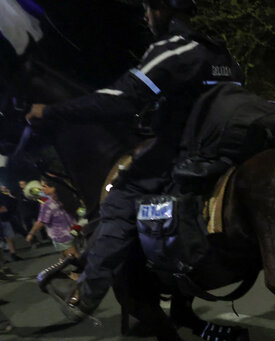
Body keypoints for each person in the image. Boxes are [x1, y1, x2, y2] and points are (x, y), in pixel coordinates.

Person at [24, 0, 243, 324]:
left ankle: (85, 295)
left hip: (185, 150)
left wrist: (52, 112)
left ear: (162, 11)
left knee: (119, 199)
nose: (145, 15)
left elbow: (122, 99)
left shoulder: (171, 49)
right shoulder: (220, 52)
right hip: (231, 147)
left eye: (148, 8)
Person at [26, 177, 80, 262]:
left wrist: (31, 234)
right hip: (74, 231)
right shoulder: (65, 197)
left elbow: (41, 222)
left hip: (61, 236)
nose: (42, 189)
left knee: (73, 260)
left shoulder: (48, 204)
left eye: (45, 186)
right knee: (68, 258)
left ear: (53, 187)